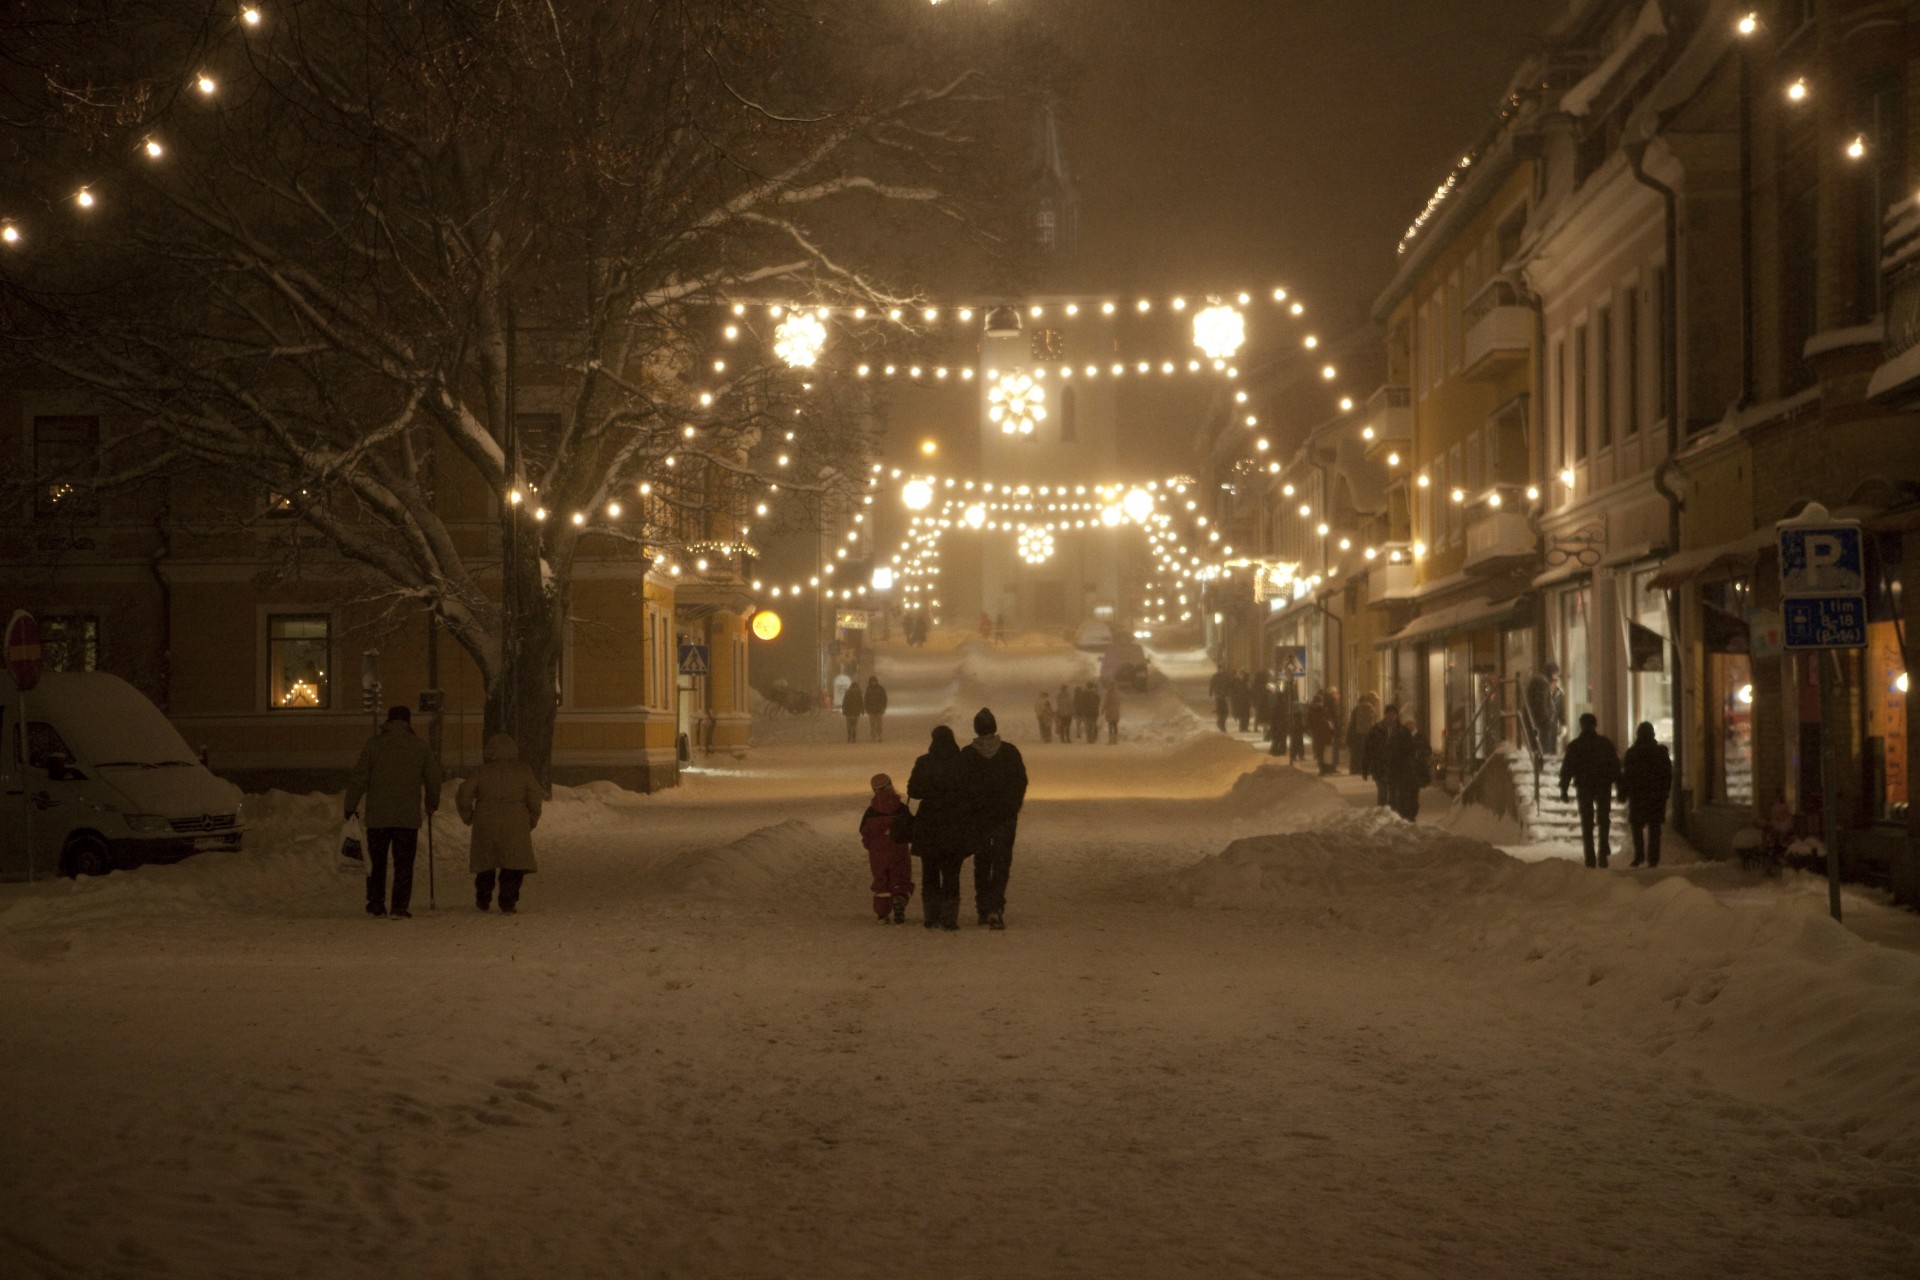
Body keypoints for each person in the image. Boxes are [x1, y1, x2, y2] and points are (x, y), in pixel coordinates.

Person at [344, 705, 443, 919]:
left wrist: (350, 805)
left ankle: (376, 902)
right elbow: (433, 777)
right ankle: (399, 906)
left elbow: (359, 777)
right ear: (408, 722)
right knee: (404, 863)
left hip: (378, 816)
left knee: (377, 861)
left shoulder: (374, 745)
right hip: (406, 817)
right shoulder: (420, 746)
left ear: (389, 721)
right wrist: (432, 802)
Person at [456, 732, 542, 914]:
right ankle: (508, 900)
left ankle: (483, 897)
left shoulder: (481, 771)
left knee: (486, 862)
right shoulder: (523, 770)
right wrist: (531, 819)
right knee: (513, 863)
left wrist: (468, 815)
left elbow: (464, 794)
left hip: (485, 821)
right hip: (515, 822)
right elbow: (535, 797)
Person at [961, 708, 1028, 930]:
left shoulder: (968, 755)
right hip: (1004, 818)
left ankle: (982, 907)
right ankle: (995, 907)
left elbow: (959, 786)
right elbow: (1021, 781)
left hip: (978, 819)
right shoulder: (1010, 752)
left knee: (982, 862)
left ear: (976, 728)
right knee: (1001, 862)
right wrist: (1013, 806)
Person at [908, 725, 971, 931]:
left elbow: (913, 791)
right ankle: (950, 918)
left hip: (930, 824)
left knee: (930, 871)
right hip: (956, 823)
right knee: (952, 873)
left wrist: (932, 789)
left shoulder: (924, 762)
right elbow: (972, 790)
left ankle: (931, 916)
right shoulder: (962, 762)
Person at [1560, 712, 1622, 868]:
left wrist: (1564, 789)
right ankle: (1602, 853)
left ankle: (1590, 857)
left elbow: (1567, 768)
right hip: (1603, 786)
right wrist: (1619, 785)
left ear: (1581, 725)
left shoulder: (1575, 746)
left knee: (1587, 823)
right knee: (1603, 819)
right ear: (1595, 725)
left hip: (1584, 787)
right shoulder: (1605, 744)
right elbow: (1615, 766)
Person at [858, 773, 914, 923]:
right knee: (900, 878)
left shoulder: (871, 812)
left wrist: (870, 845)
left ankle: (882, 913)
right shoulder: (901, 808)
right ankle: (899, 900)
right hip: (899, 850)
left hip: (877, 854)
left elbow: (864, 831)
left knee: (881, 881)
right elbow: (910, 828)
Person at [1618, 722, 1673, 869]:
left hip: (1637, 796)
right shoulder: (1660, 752)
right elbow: (1667, 774)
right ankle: (1653, 859)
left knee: (1637, 828)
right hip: (1656, 797)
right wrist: (1665, 792)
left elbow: (1626, 776)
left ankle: (1639, 856)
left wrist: (1623, 793)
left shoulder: (1632, 753)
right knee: (1654, 829)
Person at [1359, 703, 1402, 808]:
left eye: (1393, 714)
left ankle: (1393, 816)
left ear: (1396, 715)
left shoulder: (1402, 731)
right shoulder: (1376, 730)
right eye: (1389, 714)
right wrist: (1365, 768)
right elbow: (1368, 749)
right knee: (1382, 793)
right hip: (1379, 766)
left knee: (1394, 794)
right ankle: (1382, 815)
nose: (1391, 716)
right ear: (1385, 715)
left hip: (1396, 767)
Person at [1394, 718, 1432, 822]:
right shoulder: (1401, 737)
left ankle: (1411, 814)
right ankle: (1404, 813)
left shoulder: (1420, 737)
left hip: (1417, 771)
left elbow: (1428, 750)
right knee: (1403, 793)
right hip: (1404, 771)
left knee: (1414, 794)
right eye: (1408, 724)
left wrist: (1419, 754)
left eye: (1411, 724)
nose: (1410, 726)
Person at [1346, 692, 1379, 774]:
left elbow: (1352, 722)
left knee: (1357, 753)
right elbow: (1373, 722)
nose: (1376, 702)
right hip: (1368, 734)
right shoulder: (1370, 708)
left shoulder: (1357, 707)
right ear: (1372, 699)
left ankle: (1355, 769)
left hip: (1358, 733)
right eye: (1376, 700)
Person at [1307, 693, 1337, 776]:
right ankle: (1326, 768)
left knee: (1319, 752)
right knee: (1326, 752)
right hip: (1325, 734)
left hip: (1316, 735)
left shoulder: (1311, 711)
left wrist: (1311, 731)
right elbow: (1330, 723)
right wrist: (1332, 732)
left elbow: (1308, 723)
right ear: (1321, 701)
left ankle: (1321, 769)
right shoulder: (1325, 710)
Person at [864, 675, 889, 743]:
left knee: (879, 724)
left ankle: (879, 736)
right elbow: (866, 699)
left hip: (879, 709)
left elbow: (884, 699)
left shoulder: (880, 689)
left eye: (874, 681)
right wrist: (866, 708)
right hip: (871, 709)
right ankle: (873, 737)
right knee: (872, 725)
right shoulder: (868, 689)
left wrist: (884, 707)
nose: (873, 683)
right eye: (872, 681)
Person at [1208, 667, 1232, 732]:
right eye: (1220, 669)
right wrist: (1210, 692)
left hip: (1224, 695)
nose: (1221, 670)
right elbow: (1212, 684)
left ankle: (1221, 724)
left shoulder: (1225, 676)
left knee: (1224, 711)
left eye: (1222, 669)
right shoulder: (1216, 676)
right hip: (1218, 694)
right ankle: (1221, 725)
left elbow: (1229, 685)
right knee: (1222, 710)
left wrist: (1229, 693)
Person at [1101, 680, 1122, 744]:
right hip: (1116, 711)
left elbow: (1106, 703)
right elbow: (1119, 702)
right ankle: (1115, 740)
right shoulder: (1117, 693)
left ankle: (1110, 740)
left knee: (1110, 726)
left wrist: (1102, 711)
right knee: (1115, 726)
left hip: (1110, 711)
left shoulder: (1108, 693)